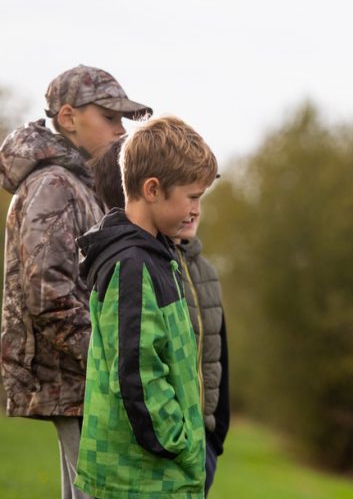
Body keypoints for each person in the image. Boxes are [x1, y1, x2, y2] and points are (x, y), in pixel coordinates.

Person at [0, 65, 151, 499]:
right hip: (73, 373)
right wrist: (107, 362)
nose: (121, 130)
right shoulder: (53, 184)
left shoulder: (77, 181)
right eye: (109, 117)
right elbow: (48, 292)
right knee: (96, 492)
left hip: (80, 374)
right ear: (68, 118)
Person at [74, 116, 218, 499]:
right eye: (192, 196)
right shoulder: (132, 266)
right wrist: (177, 442)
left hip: (160, 473)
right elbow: (139, 372)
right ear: (152, 189)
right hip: (142, 477)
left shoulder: (159, 255)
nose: (196, 210)